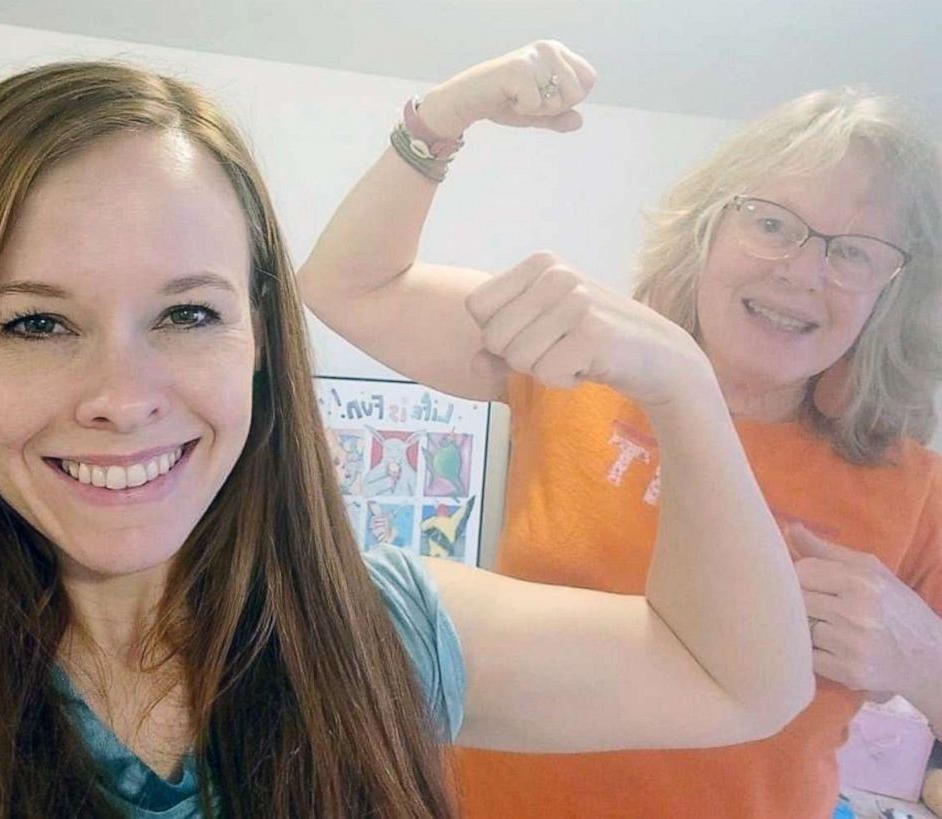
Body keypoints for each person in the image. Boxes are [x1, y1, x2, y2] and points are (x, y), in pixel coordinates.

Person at [0, 59, 815, 818]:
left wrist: (682, 382)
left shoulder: (381, 632)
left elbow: (742, 683)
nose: (123, 398)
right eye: (34, 323)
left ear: (259, 341)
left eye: (187, 313)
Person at [298, 40, 942, 819]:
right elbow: (347, 285)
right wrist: (444, 117)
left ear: (892, 289)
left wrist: (923, 659)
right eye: (772, 224)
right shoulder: (585, 355)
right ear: (708, 229)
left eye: (853, 253)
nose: (802, 271)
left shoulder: (913, 487)